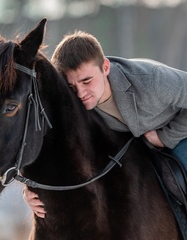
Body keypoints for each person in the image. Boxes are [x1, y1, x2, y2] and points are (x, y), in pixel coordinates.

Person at [23, 30, 187, 218]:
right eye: (71, 87)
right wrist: (32, 187)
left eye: (87, 81)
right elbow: (53, 143)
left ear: (106, 67)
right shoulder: (71, 100)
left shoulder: (153, 80)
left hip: (180, 129)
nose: (80, 93)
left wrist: (166, 137)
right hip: (136, 143)